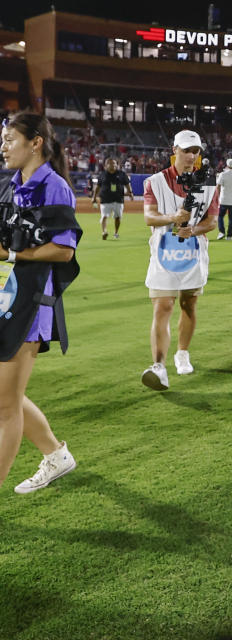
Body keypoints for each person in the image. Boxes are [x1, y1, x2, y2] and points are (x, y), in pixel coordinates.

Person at [0, 111, 82, 493]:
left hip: (31, 304)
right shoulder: (11, 184)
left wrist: (14, 256)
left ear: (35, 143)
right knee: (5, 396)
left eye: (9, 140)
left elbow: (64, 251)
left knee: (5, 406)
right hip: (5, 298)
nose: (3, 147)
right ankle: (55, 454)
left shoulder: (55, 187)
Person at [140, 130, 219, 391]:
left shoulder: (209, 184)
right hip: (163, 253)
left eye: (196, 151)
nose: (191, 156)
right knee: (162, 306)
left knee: (188, 305)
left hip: (193, 253)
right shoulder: (155, 181)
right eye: (186, 150)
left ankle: (182, 353)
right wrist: (174, 218)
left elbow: (212, 221)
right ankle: (158, 367)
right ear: (175, 150)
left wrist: (193, 229)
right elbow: (150, 217)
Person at [91, 157, 133, 240]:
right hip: (105, 199)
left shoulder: (122, 174)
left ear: (117, 165)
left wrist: (130, 193)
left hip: (118, 199)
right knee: (104, 216)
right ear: (106, 165)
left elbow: (127, 184)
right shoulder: (102, 174)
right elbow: (98, 187)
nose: (112, 165)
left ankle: (116, 232)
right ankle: (104, 232)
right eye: (110, 163)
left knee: (118, 217)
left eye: (114, 163)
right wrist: (94, 197)